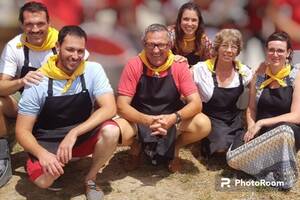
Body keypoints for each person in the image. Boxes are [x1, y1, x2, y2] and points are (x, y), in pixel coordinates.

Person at [15, 25, 119, 200]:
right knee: (44, 182)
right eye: (70, 49)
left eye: (80, 51)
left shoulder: (93, 70)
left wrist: (74, 132)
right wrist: (43, 154)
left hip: (79, 138)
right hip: (47, 143)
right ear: (57, 47)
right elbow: (22, 130)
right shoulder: (37, 80)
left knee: (112, 130)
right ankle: (49, 164)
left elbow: (110, 108)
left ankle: (91, 179)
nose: (75, 56)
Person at [115, 23, 211, 173]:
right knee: (116, 132)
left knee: (203, 124)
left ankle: (175, 148)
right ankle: (136, 146)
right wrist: (148, 121)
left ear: (169, 45)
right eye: (151, 45)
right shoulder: (134, 64)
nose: (155, 50)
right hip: (140, 118)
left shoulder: (179, 66)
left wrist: (173, 118)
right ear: (143, 44)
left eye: (161, 45)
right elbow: (121, 105)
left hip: (170, 118)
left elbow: (196, 103)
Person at [227, 31, 300, 189]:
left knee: (284, 132)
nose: (275, 54)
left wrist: (262, 122)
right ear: (266, 51)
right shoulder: (259, 76)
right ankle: (273, 171)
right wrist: (252, 125)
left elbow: (296, 116)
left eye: (280, 50)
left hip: (287, 132)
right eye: (271, 50)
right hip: (262, 134)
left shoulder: (296, 76)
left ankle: (277, 172)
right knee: (232, 159)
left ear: (288, 53)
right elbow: (251, 107)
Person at [0, 1, 58, 187]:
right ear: (21, 25)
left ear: (49, 23)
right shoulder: (14, 46)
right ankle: (2, 156)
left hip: (57, 103)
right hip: (24, 103)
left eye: (40, 24)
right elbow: (1, 86)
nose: (35, 29)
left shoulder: (63, 42)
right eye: (29, 25)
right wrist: (21, 81)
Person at [193, 29, 252, 158]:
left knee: (244, 147)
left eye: (234, 47)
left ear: (238, 51)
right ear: (217, 48)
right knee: (222, 148)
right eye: (225, 46)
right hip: (211, 119)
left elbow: (257, 90)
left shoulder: (244, 72)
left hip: (234, 119)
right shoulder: (201, 69)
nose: (229, 50)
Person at [169, 2, 213, 67]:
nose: (189, 24)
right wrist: (171, 58)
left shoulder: (204, 41)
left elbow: (210, 64)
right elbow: (160, 56)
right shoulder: (169, 35)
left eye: (194, 20)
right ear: (179, 20)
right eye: (186, 19)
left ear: (199, 22)